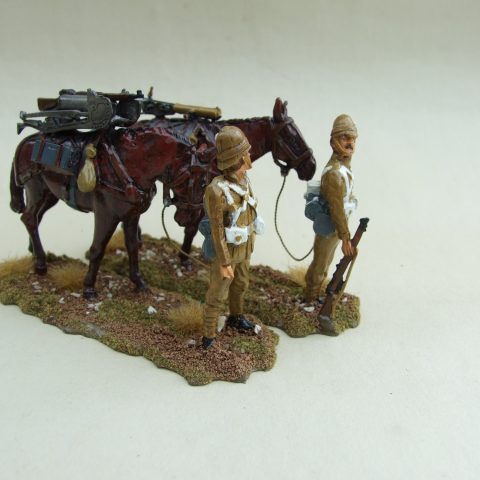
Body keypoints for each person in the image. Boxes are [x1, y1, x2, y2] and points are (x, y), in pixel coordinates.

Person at [202, 126, 261, 349]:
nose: (249, 155)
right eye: (246, 152)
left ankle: (236, 316)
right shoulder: (216, 191)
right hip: (226, 251)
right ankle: (208, 336)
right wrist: (225, 262)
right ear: (238, 158)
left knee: (241, 284)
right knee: (218, 293)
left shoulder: (245, 181)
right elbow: (217, 230)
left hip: (244, 246)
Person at [304, 114, 358, 303]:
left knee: (325, 262)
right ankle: (310, 300)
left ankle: (313, 296)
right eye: (344, 138)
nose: (350, 143)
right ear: (333, 142)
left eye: (353, 138)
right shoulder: (335, 174)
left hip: (337, 227)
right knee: (321, 265)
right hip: (330, 226)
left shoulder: (344, 167)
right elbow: (336, 210)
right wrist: (345, 237)